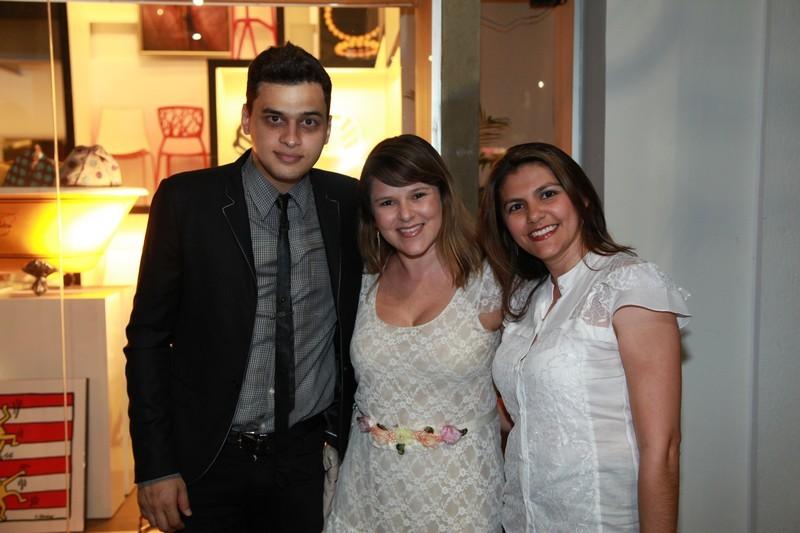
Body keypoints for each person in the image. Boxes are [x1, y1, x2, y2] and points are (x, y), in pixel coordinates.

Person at [124, 43, 362, 533]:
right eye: (275, 119)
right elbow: (147, 340)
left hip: (306, 463)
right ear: (247, 119)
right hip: (207, 463)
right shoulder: (187, 202)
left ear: (327, 128)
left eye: (309, 122)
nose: (291, 139)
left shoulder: (349, 203)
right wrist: (155, 464)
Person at [478, 142, 690, 532]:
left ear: (583, 199)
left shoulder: (629, 284)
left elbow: (663, 449)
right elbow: (525, 415)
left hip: (601, 519)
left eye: (547, 194)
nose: (534, 214)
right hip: (526, 520)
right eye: (516, 206)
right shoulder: (526, 299)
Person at [325, 134, 504, 532]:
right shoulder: (359, 284)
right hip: (368, 494)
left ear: (443, 197)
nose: (405, 215)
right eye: (387, 202)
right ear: (372, 215)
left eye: (418, 195)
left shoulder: (491, 283)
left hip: (461, 498)